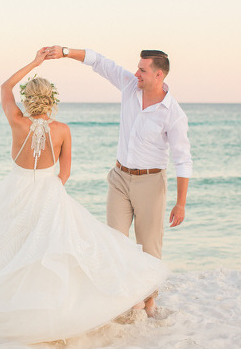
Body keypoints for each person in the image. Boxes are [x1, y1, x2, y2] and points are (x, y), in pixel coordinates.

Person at [0, 50, 168, 344]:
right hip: (49, 192)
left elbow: (4, 87)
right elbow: (65, 173)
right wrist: (50, 193)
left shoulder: (16, 121)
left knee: (13, 250)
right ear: (52, 100)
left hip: (16, 191)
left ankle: (9, 306)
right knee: (53, 251)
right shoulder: (62, 131)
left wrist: (34, 63)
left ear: (28, 98)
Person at [44, 45, 192, 317]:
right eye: (137, 68)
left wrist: (180, 204)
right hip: (119, 178)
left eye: (143, 70)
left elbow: (183, 160)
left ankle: (149, 301)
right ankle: (126, 298)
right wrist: (64, 51)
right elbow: (99, 61)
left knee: (149, 248)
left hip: (151, 182)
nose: (136, 73)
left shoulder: (173, 114)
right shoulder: (129, 86)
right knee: (115, 242)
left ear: (159, 75)